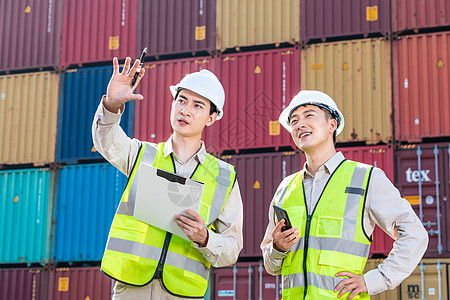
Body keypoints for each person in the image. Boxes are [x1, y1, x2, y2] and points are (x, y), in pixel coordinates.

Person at [92, 57, 243, 299]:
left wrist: (205, 238)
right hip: (131, 287)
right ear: (172, 105)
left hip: (182, 293)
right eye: (181, 101)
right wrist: (111, 105)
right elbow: (105, 141)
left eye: (197, 106)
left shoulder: (224, 178)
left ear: (212, 118)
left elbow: (232, 249)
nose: (185, 110)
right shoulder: (142, 155)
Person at [261, 90, 428, 299]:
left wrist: (374, 280)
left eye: (309, 115)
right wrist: (277, 248)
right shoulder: (285, 188)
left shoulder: (367, 178)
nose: (299, 124)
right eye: (294, 121)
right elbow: (272, 267)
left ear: (332, 125)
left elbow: (415, 234)